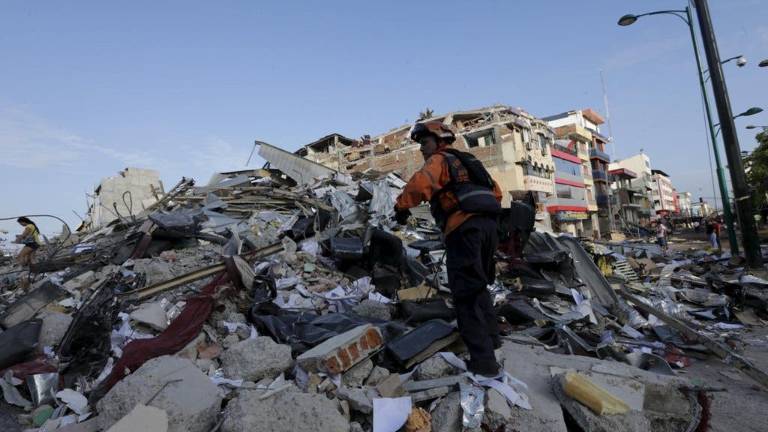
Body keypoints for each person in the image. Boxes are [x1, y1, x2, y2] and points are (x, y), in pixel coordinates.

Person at [393, 121, 503, 378]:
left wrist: (401, 206)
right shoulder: (470, 162)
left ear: (440, 141)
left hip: (465, 229)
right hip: (489, 228)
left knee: (465, 293)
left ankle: (484, 363)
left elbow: (420, 184)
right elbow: (496, 193)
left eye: (425, 143)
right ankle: (492, 339)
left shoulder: (440, 159)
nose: (422, 149)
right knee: (478, 286)